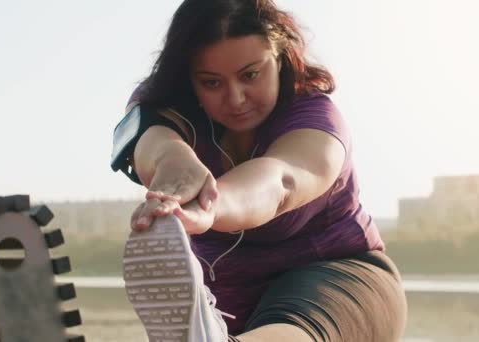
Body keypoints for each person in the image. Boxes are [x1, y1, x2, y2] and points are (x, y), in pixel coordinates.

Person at [111, 0, 407, 341]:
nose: (235, 98)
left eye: (250, 75)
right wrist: (173, 161)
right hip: (223, 303)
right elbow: (152, 143)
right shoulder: (162, 107)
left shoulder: (317, 119)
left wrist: (211, 204)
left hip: (336, 280)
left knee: (297, 324)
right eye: (211, 83)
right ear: (188, 78)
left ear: (279, 57)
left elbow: (280, 182)